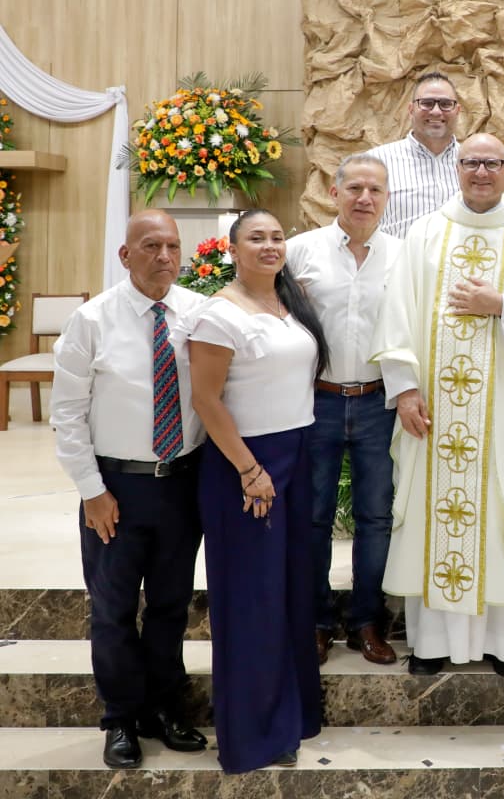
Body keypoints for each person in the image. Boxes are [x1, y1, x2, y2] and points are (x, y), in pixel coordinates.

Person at [372, 133, 504, 677]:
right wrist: (404, 390)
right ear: (457, 168)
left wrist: (500, 304)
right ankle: (430, 644)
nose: (481, 172)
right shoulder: (425, 232)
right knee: (431, 516)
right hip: (433, 413)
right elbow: (396, 314)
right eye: (471, 163)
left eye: (491, 163)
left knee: (503, 512)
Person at [52, 210, 208, 770]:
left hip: (181, 484)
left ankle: (162, 708)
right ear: (125, 255)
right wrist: (92, 490)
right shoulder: (92, 320)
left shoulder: (200, 313)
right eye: (150, 246)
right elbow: (68, 415)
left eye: (172, 246)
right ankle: (120, 717)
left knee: (170, 605)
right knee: (113, 608)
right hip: (115, 488)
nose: (164, 256)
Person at [189, 209, 330, 773]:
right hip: (246, 465)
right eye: (256, 238)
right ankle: (255, 733)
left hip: (295, 454)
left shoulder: (288, 303)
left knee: (291, 590)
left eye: (276, 237)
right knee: (254, 600)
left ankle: (293, 714)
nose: (270, 246)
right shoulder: (218, 314)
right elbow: (206, 400)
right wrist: (250, 470)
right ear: (233, 248)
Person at [286, 153, 401, 667]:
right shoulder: (299, 252)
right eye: (354, 188)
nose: (364, 198)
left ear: (387, 198)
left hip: (379, 401)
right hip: (318, 401)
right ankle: (316, 622)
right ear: (334, 193)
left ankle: (366, 621)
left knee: (376, 516)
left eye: (375, 190)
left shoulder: (402, 256)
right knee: (313, 517)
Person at [365, 70, 461, 238]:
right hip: (397, 255)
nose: (436, 111)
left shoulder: (475, 165)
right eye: (427, 103)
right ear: (411, 110)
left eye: (446, 104)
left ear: (457, 110)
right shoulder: (376, 162)